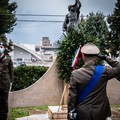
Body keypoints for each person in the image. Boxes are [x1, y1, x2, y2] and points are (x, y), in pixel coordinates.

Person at [68, 42, 120, 120]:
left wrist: (71, 117)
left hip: (82, 114)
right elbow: (118, 68)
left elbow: (72, 99)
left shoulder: (75, 74)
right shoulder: (103, 71)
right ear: (96, 57)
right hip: (101, 113)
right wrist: (106, 57)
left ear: (82, 56)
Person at [0, 41, 13, 120]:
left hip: (5, 83)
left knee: (5, 100)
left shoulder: (8, 58)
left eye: (1, 47)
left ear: (4, 48)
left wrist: (11, 82)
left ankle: (4, 116)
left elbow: (11, 71)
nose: (0, 48)